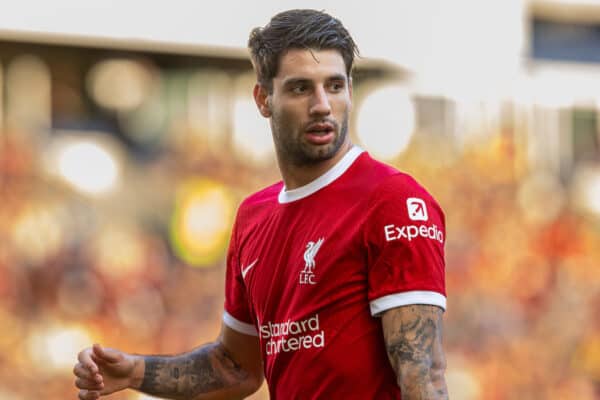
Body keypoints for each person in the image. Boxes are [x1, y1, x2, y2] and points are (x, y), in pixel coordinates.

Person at [73, 9, 448, 400]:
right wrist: (136, 371)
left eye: (334, 86)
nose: (322, 105)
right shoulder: (254, 216)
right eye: (301, 88)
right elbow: (235, 369)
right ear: (263, 98)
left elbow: (423, 376)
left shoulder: (393, 201)